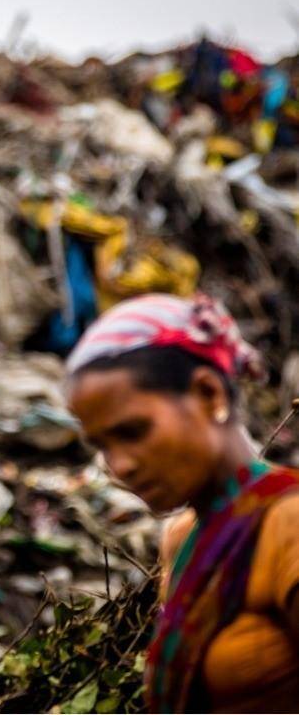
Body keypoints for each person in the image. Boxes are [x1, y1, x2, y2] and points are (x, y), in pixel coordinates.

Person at [64, 293, 299, 712]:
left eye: (134, 432)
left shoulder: (288, 524)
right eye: (103, 446)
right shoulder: (183, 539)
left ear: (209, 394)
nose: (119, 466)